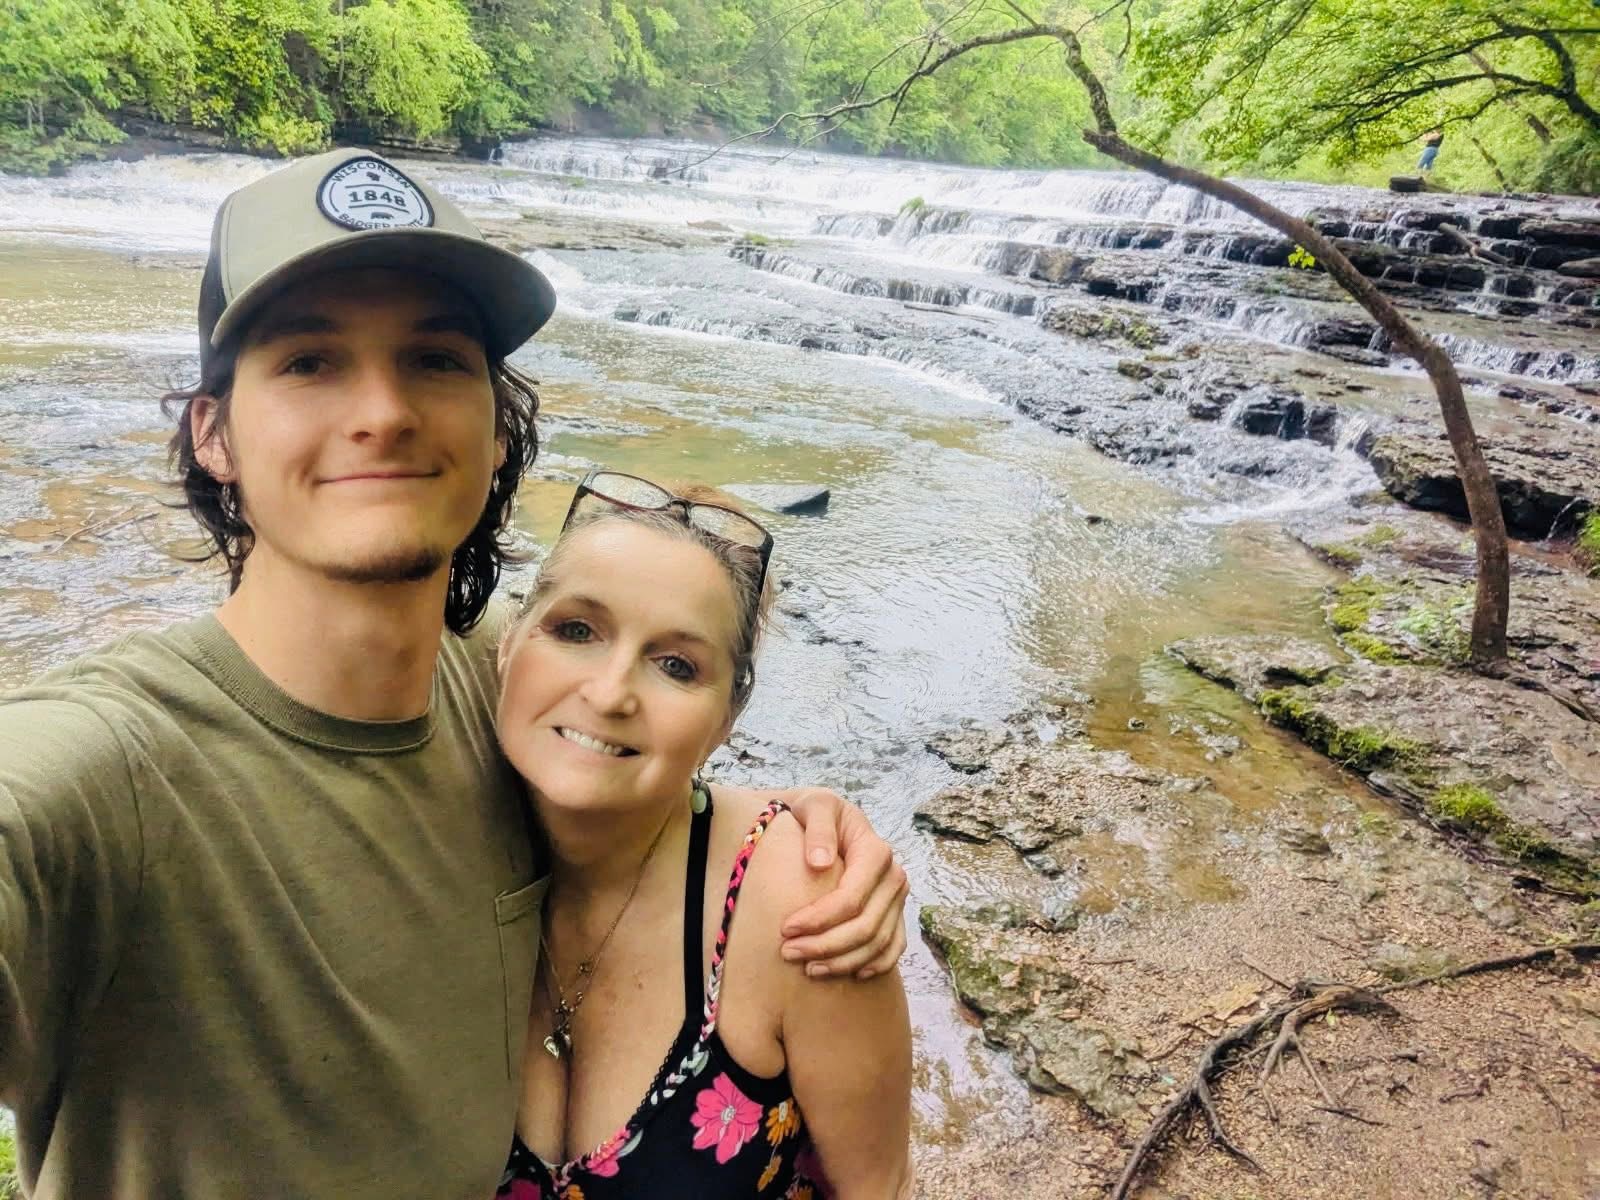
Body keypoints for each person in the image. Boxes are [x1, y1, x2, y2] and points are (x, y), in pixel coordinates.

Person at [0, 150, 909, 1199]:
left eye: (434, 359)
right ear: (214, 434)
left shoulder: (501, 683)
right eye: (309, 361)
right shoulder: (105, 774)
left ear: (496, 433)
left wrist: (795, 831)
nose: (383, 412)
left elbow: (640, 698)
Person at [496, 472, 912, 1199]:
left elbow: (878, 1187)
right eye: (577, 631)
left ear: (727, 718)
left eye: (676, 666)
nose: (610, 692)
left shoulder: (808, 916)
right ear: (507, 644)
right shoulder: (431, 824)